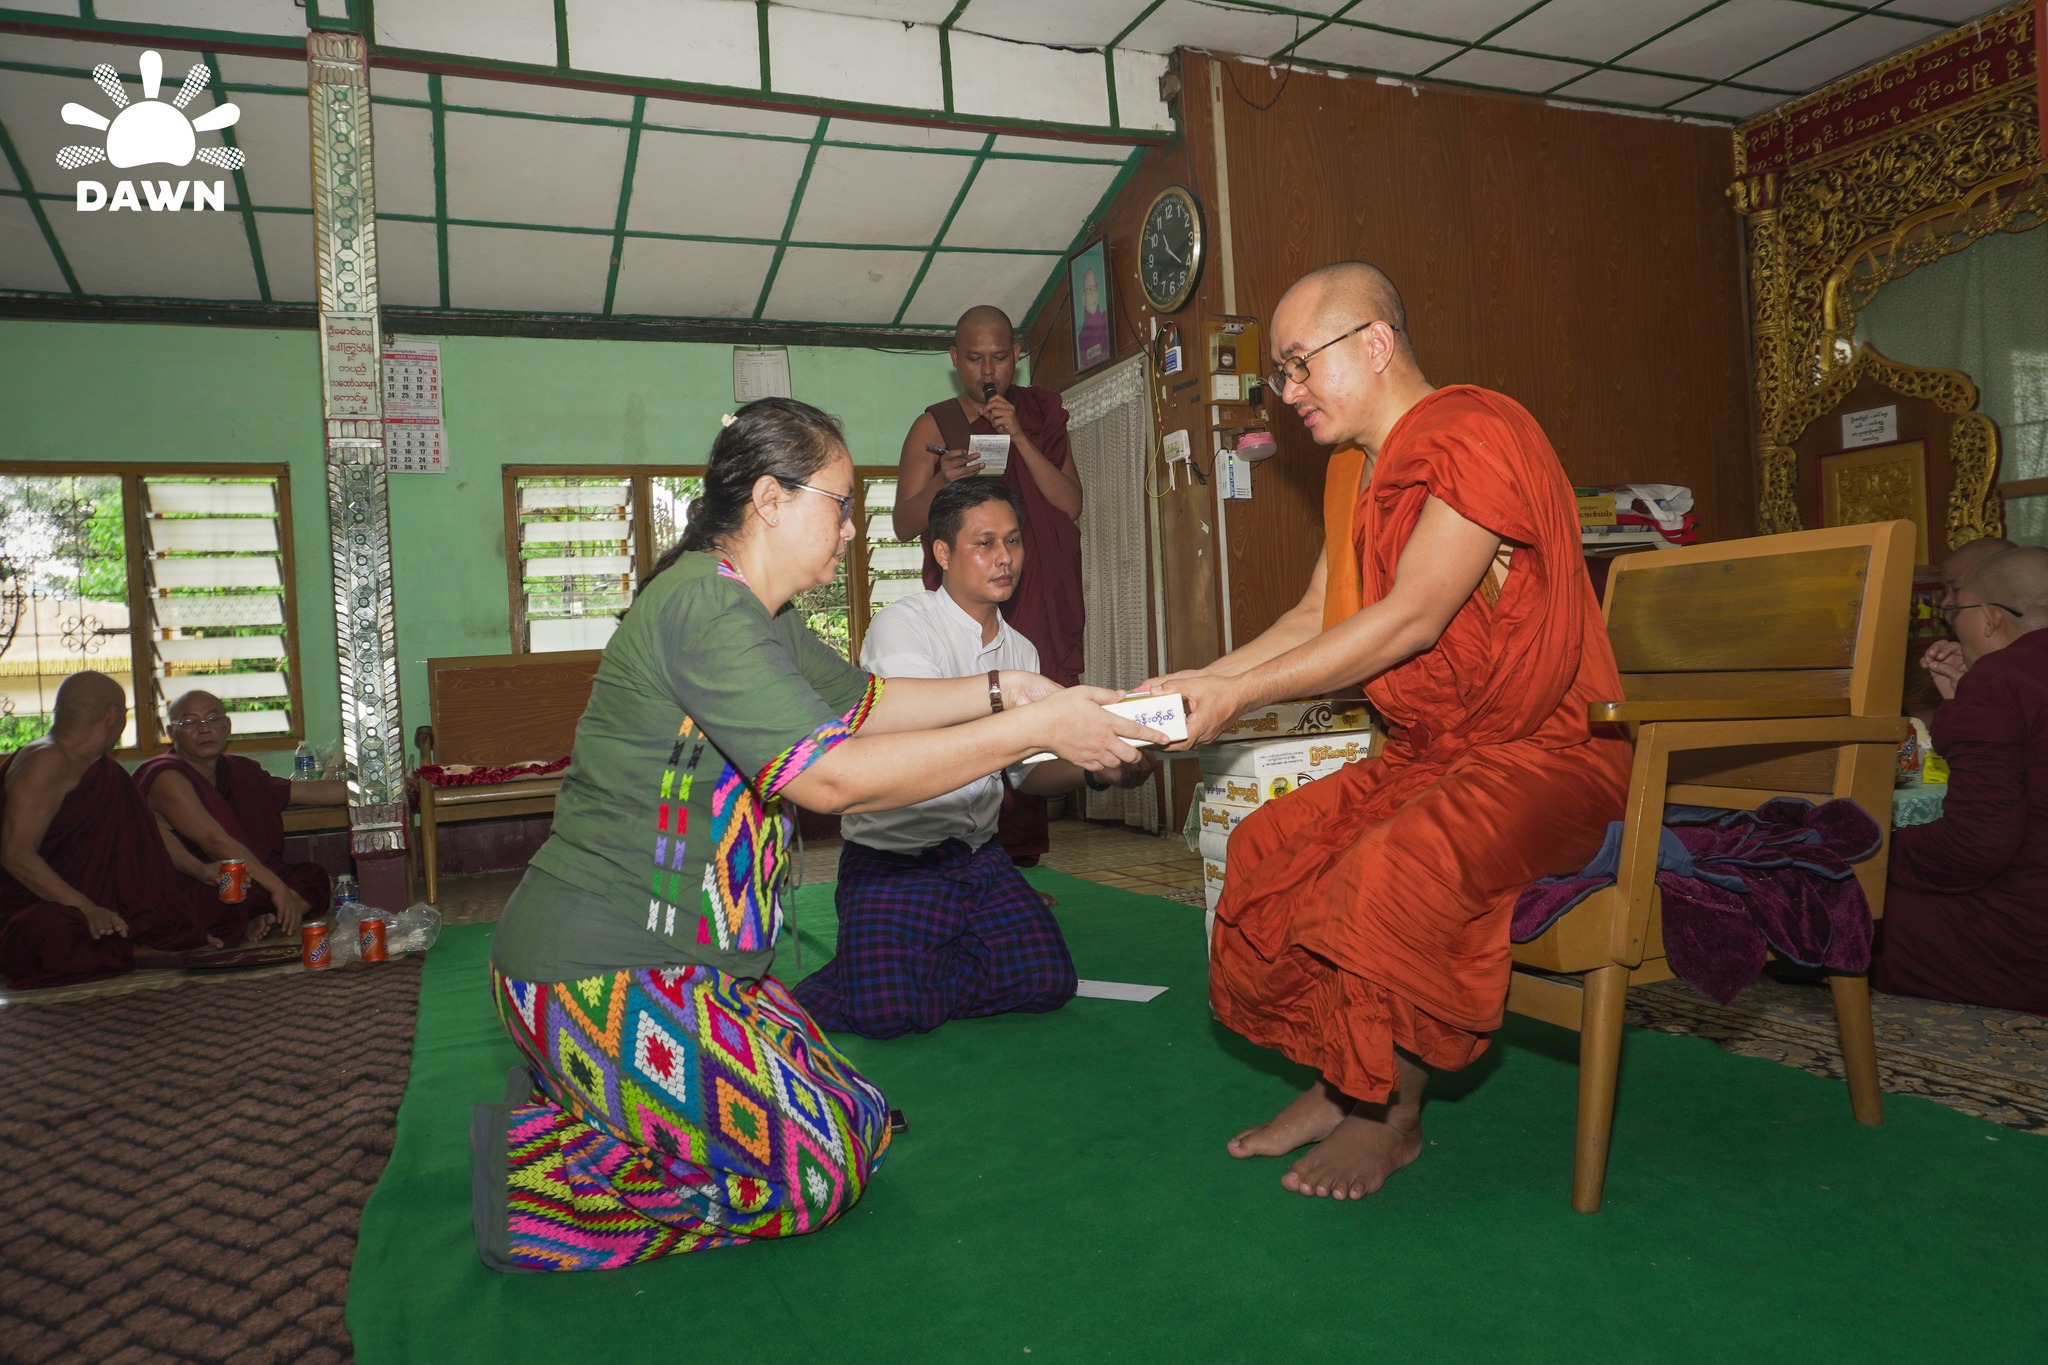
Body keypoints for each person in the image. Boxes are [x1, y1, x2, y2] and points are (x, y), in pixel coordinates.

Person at [474, 399, 1160, 1273]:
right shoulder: (708, 609)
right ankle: (541, 1178)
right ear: (770, 499)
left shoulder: (764, 616)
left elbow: (867, 705)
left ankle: (603, 1102)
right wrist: (1033, 728)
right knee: (817, 1174)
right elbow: (830, 777)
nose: (851, 529)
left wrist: (1012, 691)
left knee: (862, 1114)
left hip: (703, 967)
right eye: (839, 504)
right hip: (602, 967)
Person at [1142, 262, 1633, 1200]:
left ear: (1374, 342)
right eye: (1280, 373)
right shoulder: (1352, 471)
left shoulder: (1478, 431)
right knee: (1269, 847)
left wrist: (1239, 699)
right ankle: (1343, 1081)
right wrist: (1202, 682)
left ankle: (1389, 1116)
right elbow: (1315, 617)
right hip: (1436, 756)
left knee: (1386, 871)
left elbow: (1411, 616)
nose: (1288, 392)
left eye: (1299, 364)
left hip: (1554, 757)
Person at [795, 478, 1152, 1038]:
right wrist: (1017, 708)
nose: (1005, 557)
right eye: (984, 543)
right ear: (942, 553)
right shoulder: (902, 625)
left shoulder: (1022, 650)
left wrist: (1097, 767)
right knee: (887, 1015)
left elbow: (1026, 773)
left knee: (1046, 982)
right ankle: (889, 969)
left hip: (977, 857)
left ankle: (913, 962)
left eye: (1013, 540)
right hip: (894, 862)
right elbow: (922, 740)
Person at [894, 304, 1085, 866]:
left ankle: (1015, 866)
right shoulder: (934, 425)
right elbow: (904, 522)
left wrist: (1019, 436)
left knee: (1034, 725)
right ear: (955, 360)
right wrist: (941, 483)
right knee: (972, 724)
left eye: (999, 357)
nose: (987, 370)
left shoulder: (1040, 415)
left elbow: (1070, 504)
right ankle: (961, 857)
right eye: (975, 358)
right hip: (971, 599)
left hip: (1038, 587)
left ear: (1016, 356)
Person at [1874, 545, 2048, 1013]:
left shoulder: (2000, 680)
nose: (1953, 625)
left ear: (1990, 618)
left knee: (1833, 896)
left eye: (1958, 611)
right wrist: (1961, 707)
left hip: (2026, 939)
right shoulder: (2001, 682)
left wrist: (1874, 852)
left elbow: (1973, 848)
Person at [1, 672, 246, 988]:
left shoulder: (104, 770)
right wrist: (87, 908)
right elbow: (16, 854)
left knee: (218, 905)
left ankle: (134, 941)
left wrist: (200, 870)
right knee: (56, 936)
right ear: (113, 714)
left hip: (100, 900)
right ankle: (133, 945)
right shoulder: (47, 759)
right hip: (43, 905)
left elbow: (144, 839)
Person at [136, 690, 347, 941]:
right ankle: (272, 913)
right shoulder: (165, 776)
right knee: (234, 895)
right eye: (190, 722)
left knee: (313, 877)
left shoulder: (239, 771)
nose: (204, 729)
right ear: (171, 733)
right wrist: (277, 888)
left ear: (227, 726)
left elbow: (305, 791)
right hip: (199, 879)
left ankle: (270, 917)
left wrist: (374, 791)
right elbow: (214, 843)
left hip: (247, 875)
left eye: (213, 719)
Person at [1075, 266, 1113, 369]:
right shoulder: (1081, 339)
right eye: (1089, 289)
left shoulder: (1108, 319)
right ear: (1083, 298)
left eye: (1095, 287)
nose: (1093, 294)